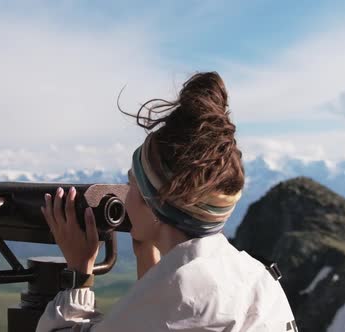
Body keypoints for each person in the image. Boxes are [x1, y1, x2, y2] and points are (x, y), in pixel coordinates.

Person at [36, 72, 296, 331]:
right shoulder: (258, 277)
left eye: (133, 186)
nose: (125, 199)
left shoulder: (180, 293)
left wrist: (79, 272)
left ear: (157, 205)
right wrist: (147, 255)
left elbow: (167, 310)